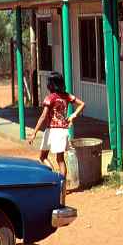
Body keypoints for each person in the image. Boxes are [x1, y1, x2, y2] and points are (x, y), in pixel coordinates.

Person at [29, 73, 83, 205]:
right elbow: (82, 104)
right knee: (59, 159)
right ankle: (60, 185)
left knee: (44, 157)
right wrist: (73, 115)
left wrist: (34, 132)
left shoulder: (50, 98)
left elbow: (43, 116)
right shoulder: (66, 96)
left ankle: (56, 182)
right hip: (62, 130)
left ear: (51, 85)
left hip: (52, 130)